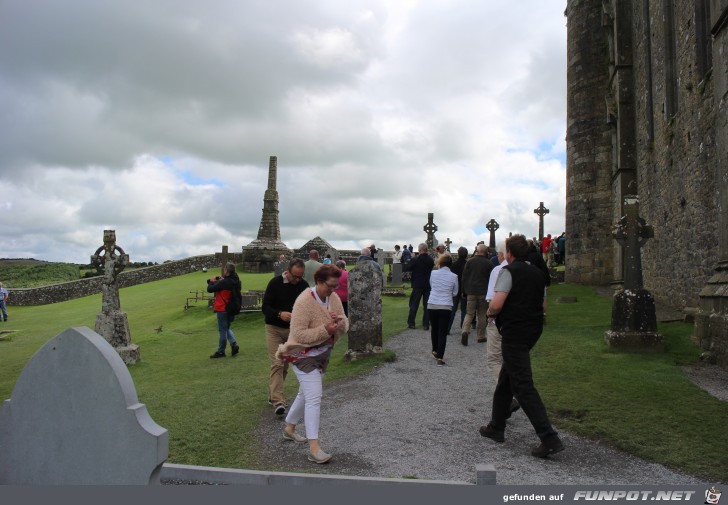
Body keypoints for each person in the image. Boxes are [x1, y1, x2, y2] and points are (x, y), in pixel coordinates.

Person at [479, 234, 564, 459]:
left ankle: (549, 437)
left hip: (513, 332)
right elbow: (543, 305)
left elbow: (497, 304)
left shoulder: (509, 271)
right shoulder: (538, 274)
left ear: (509, 253)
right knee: (506, 380)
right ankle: (496, 427)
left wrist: (489, 314)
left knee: (523, 386)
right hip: (532, 331)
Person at [276, 264, 349, 464]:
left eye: (336, 286)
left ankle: (290, 428)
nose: (334, 290)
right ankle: (314, 448)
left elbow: (344, 322)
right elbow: (299, 334)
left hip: (322, 355)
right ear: (318, 281)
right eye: (330, 286)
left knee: (304, 394)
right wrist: (326, 329)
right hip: (302, 356)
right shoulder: (304, 301)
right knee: (314, 397)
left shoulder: (332, 298)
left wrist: (339, 322)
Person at [261, 258, 310, 415]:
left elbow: (308, 307)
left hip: (292, 331)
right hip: (274, 329)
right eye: (295, 276)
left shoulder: (304, 286)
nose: (297, 279)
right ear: (287, 271)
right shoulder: (275, 283)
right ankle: (278, 402)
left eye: (300, 276)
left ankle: (272, 395)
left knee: (285, 365)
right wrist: (279, 314)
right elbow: (265, 307)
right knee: (277, 363)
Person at [485, 243, 521, 418]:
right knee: (512, 361)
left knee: (494, 359)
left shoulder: (499, 271)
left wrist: (490, 316)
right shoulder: (528, 270)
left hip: (501, 321)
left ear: (503, 254)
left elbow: (493, 299)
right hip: (520, 324)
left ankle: (507, 399)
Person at [428, 254, 458, 366]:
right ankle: (440, 357)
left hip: (432, 304)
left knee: (434, 329)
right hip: (446, 306)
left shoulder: (433, 273)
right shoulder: (454, 276)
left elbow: (432, 285)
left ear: (440, 263)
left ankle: (435, 350)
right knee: (442, 332)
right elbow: (455, 292)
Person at [461, 244, 494, 345]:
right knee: (481, 314)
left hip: (471, 291)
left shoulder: (470, 261)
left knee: (469, 313)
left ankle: (465, 331)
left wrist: (463, 290)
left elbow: (464, 277)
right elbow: (491, 279)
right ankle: (481, 336)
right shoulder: (489, 263)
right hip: (483, 292)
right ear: (486, 252)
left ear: (477, 251)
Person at [206, 262, 241, 358]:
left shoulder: (224, 282)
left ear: (227, 271)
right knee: (227, 328)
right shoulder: (236, 281)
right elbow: (229, 284)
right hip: (232, 308)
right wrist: (223, 279)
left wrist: (212, 281)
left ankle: (221, 351)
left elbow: (210, 289)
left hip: (222, 309)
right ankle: (234, 345)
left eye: (225, 269)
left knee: (222, 330)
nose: (224, 271)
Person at [404, 243, 434, 330]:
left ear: (420, 250)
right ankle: (426, 324)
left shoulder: (416, 259)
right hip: (427, 284)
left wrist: (412, 258)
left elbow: (407, 268)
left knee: (414, 304)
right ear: (426, 249)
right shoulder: (430, 260)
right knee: (426, 305)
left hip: (417, 284)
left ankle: (411, 323)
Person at [447, 246, 469, 334]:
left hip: (455, 290)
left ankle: (447, 328)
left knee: (452, 310)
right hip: (464, 290)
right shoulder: (468, 264)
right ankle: (463, 329)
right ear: (466, 255)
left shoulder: (453, 265)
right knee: (464, 311)